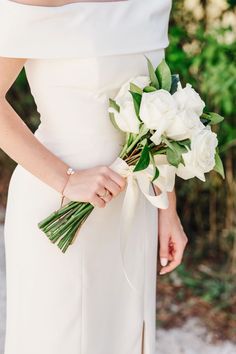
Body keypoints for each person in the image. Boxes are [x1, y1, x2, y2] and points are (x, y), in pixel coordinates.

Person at [0, 0, 188, 353]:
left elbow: (159, 109)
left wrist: (167, 206)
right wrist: (66, 179)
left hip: (134, 210)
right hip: (59, 205)